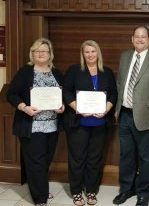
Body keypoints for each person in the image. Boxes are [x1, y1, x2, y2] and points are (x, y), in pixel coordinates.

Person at [113, 25, 149, 206]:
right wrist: (117, 110)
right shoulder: (125, 56)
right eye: (136, 36)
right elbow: (120, 83)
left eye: (143, 36)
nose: (139, 39)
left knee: (146, 157)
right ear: (132, 39)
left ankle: (143, 193)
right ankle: (126, 189)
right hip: (124, 115)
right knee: (126, 155)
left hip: (147, 117)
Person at [6, 38, 64, 206]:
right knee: (35, 162)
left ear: (50, 54)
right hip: (32, 126)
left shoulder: (56, 73)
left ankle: (41, 189)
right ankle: (40, 198)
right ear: (32, 54)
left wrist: (62, 107)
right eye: (37, 51)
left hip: (52, 126)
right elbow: (12, 94)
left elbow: (62, 95)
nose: (40, 53)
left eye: (44, 51)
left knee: (45, 160)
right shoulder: (25, 72)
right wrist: (24, 108)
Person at [63, 40, 117, 206]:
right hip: (79, 121)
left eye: (93, 51)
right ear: (82, 54)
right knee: (77, 159)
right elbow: (65, 92)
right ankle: (77, 192)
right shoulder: (74, 70)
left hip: (100, 123)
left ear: (98, 53)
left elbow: (114, 94)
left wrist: (106, 110)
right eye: (87, 52)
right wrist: (78, 107)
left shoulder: (106, 72)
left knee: (94, 159)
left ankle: (91, 191)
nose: (90, 55)